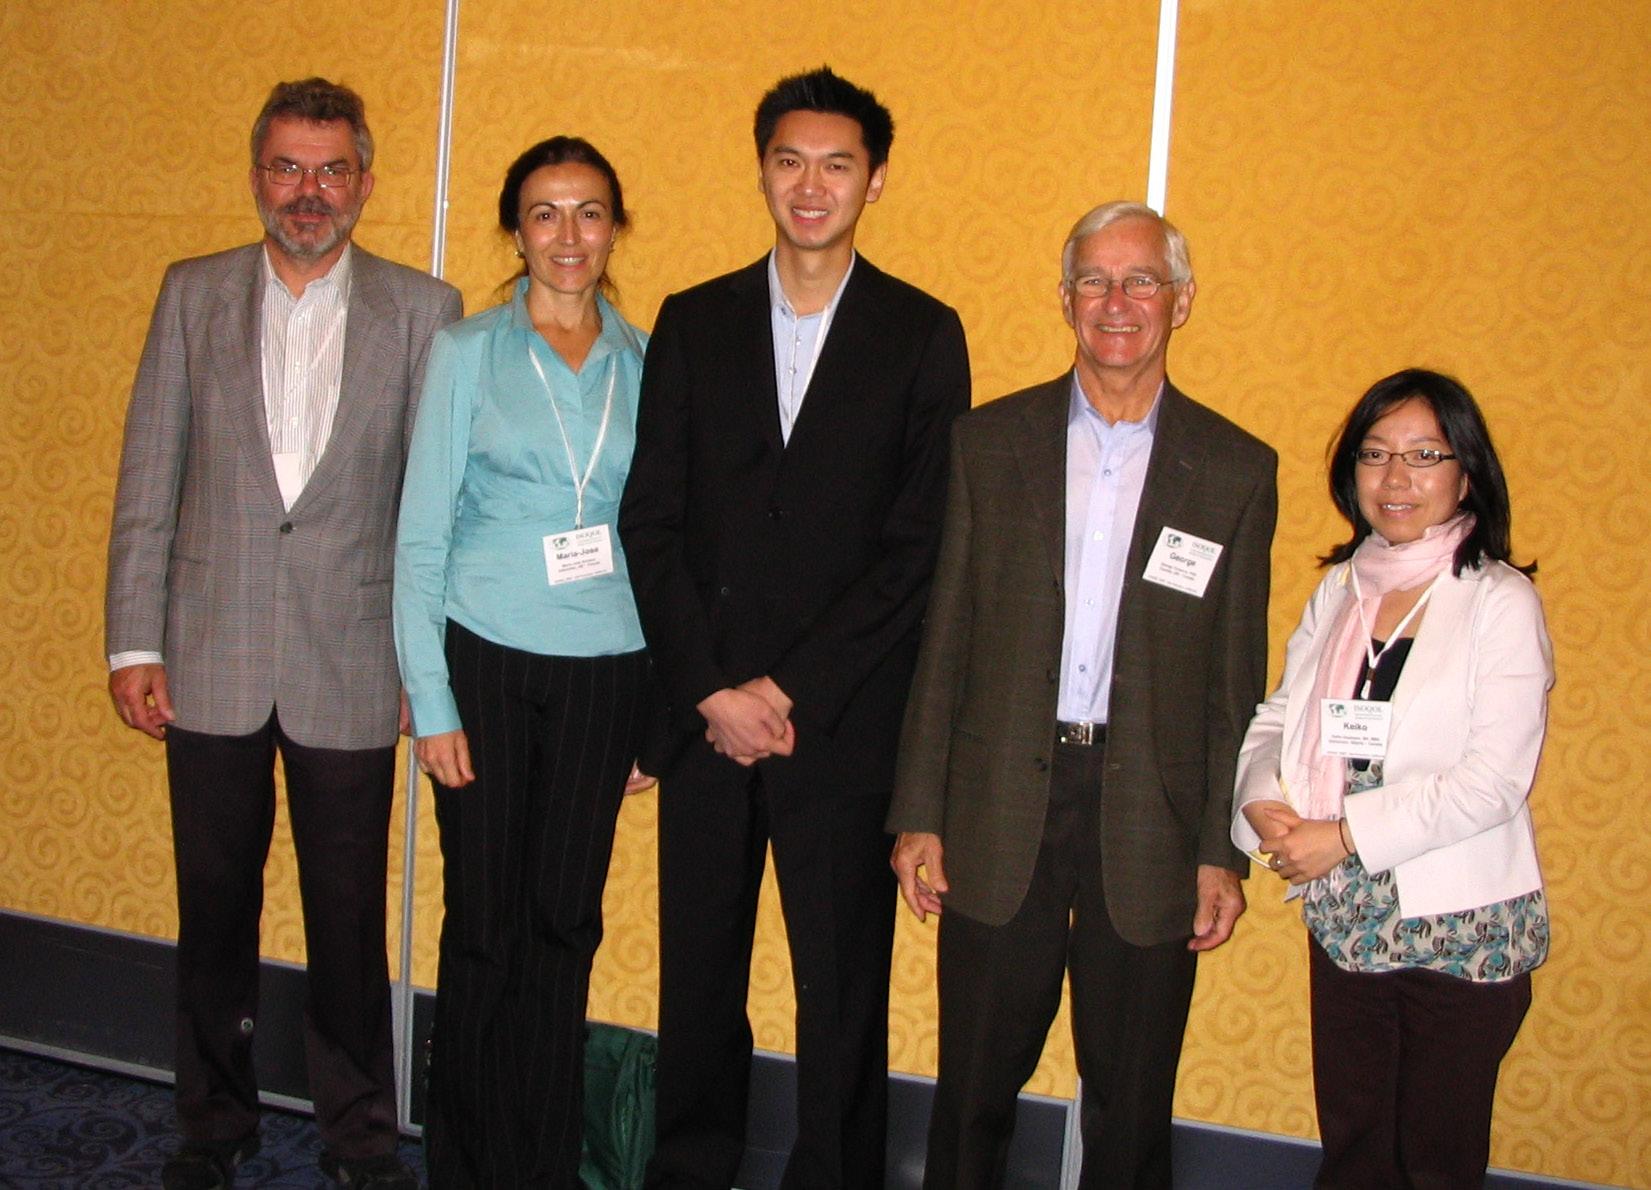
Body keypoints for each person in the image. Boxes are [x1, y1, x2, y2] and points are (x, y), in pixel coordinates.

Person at [104, 78, 461, 1190]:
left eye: (331, 169)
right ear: (257, 173)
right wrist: (133, 640)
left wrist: (425, 662)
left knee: (349, 919)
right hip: (206, 649)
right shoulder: (191, 293)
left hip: (353, 654)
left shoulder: (424, 310)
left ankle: (358, 1134)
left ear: (365, 178)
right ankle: (211, 1122)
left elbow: (434, 505)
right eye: (287, 168)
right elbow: (148, 477)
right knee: (214, 905)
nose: (309, 192)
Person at [619, 66, 971, 1188]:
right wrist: (714, 690)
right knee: (699, 982)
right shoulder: (693, 317)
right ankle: (690, 1171)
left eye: (836, 164)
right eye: (789, 160)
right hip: (709, 717)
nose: (809, 185)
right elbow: (651, 520)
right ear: (761, 167)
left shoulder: (922, 333)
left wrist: (788, 690)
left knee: (842, 993)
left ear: (875, 180)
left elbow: (919, 546)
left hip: (843, 728)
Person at [888, 201, 1277, 1188]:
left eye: (1141, 280)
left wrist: (1217, 848)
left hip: (1149, 812)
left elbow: (1235, 684)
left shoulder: (1235, 469)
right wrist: (918, 812)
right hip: (997, 802)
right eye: (1095, 281)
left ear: (1180, 302)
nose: (1117, 302)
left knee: (1131, 1100)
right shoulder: (988, 443)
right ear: (1064, 299)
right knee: (971, 1085)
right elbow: (948, 640)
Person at [393, 135, 655, 1187]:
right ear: (515, 229)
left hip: (607, 672)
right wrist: (431, 694)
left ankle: (538, 1163)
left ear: (614, 228)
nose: (567, 236)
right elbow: (419, 534)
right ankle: (465, 1162)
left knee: (565, 924)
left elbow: (668, 539)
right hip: (487, 661)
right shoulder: (466, 353)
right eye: (544, 213)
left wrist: (657, 717)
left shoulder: (646, 361)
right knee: (487, 924)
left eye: (589, 212)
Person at [1233, 368, 1552, 1187]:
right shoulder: (1340, 588)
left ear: (1465, 472)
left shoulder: (1498, 600)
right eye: (1375, 455)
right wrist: (1261, 801)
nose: (1396, 478)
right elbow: (1278, 716)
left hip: (1458, 927)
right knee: (1355, 1150)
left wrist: (1340, 837)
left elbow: (1492, 782)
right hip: (1347, 920)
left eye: (1422, 454)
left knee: (1433, 1164)